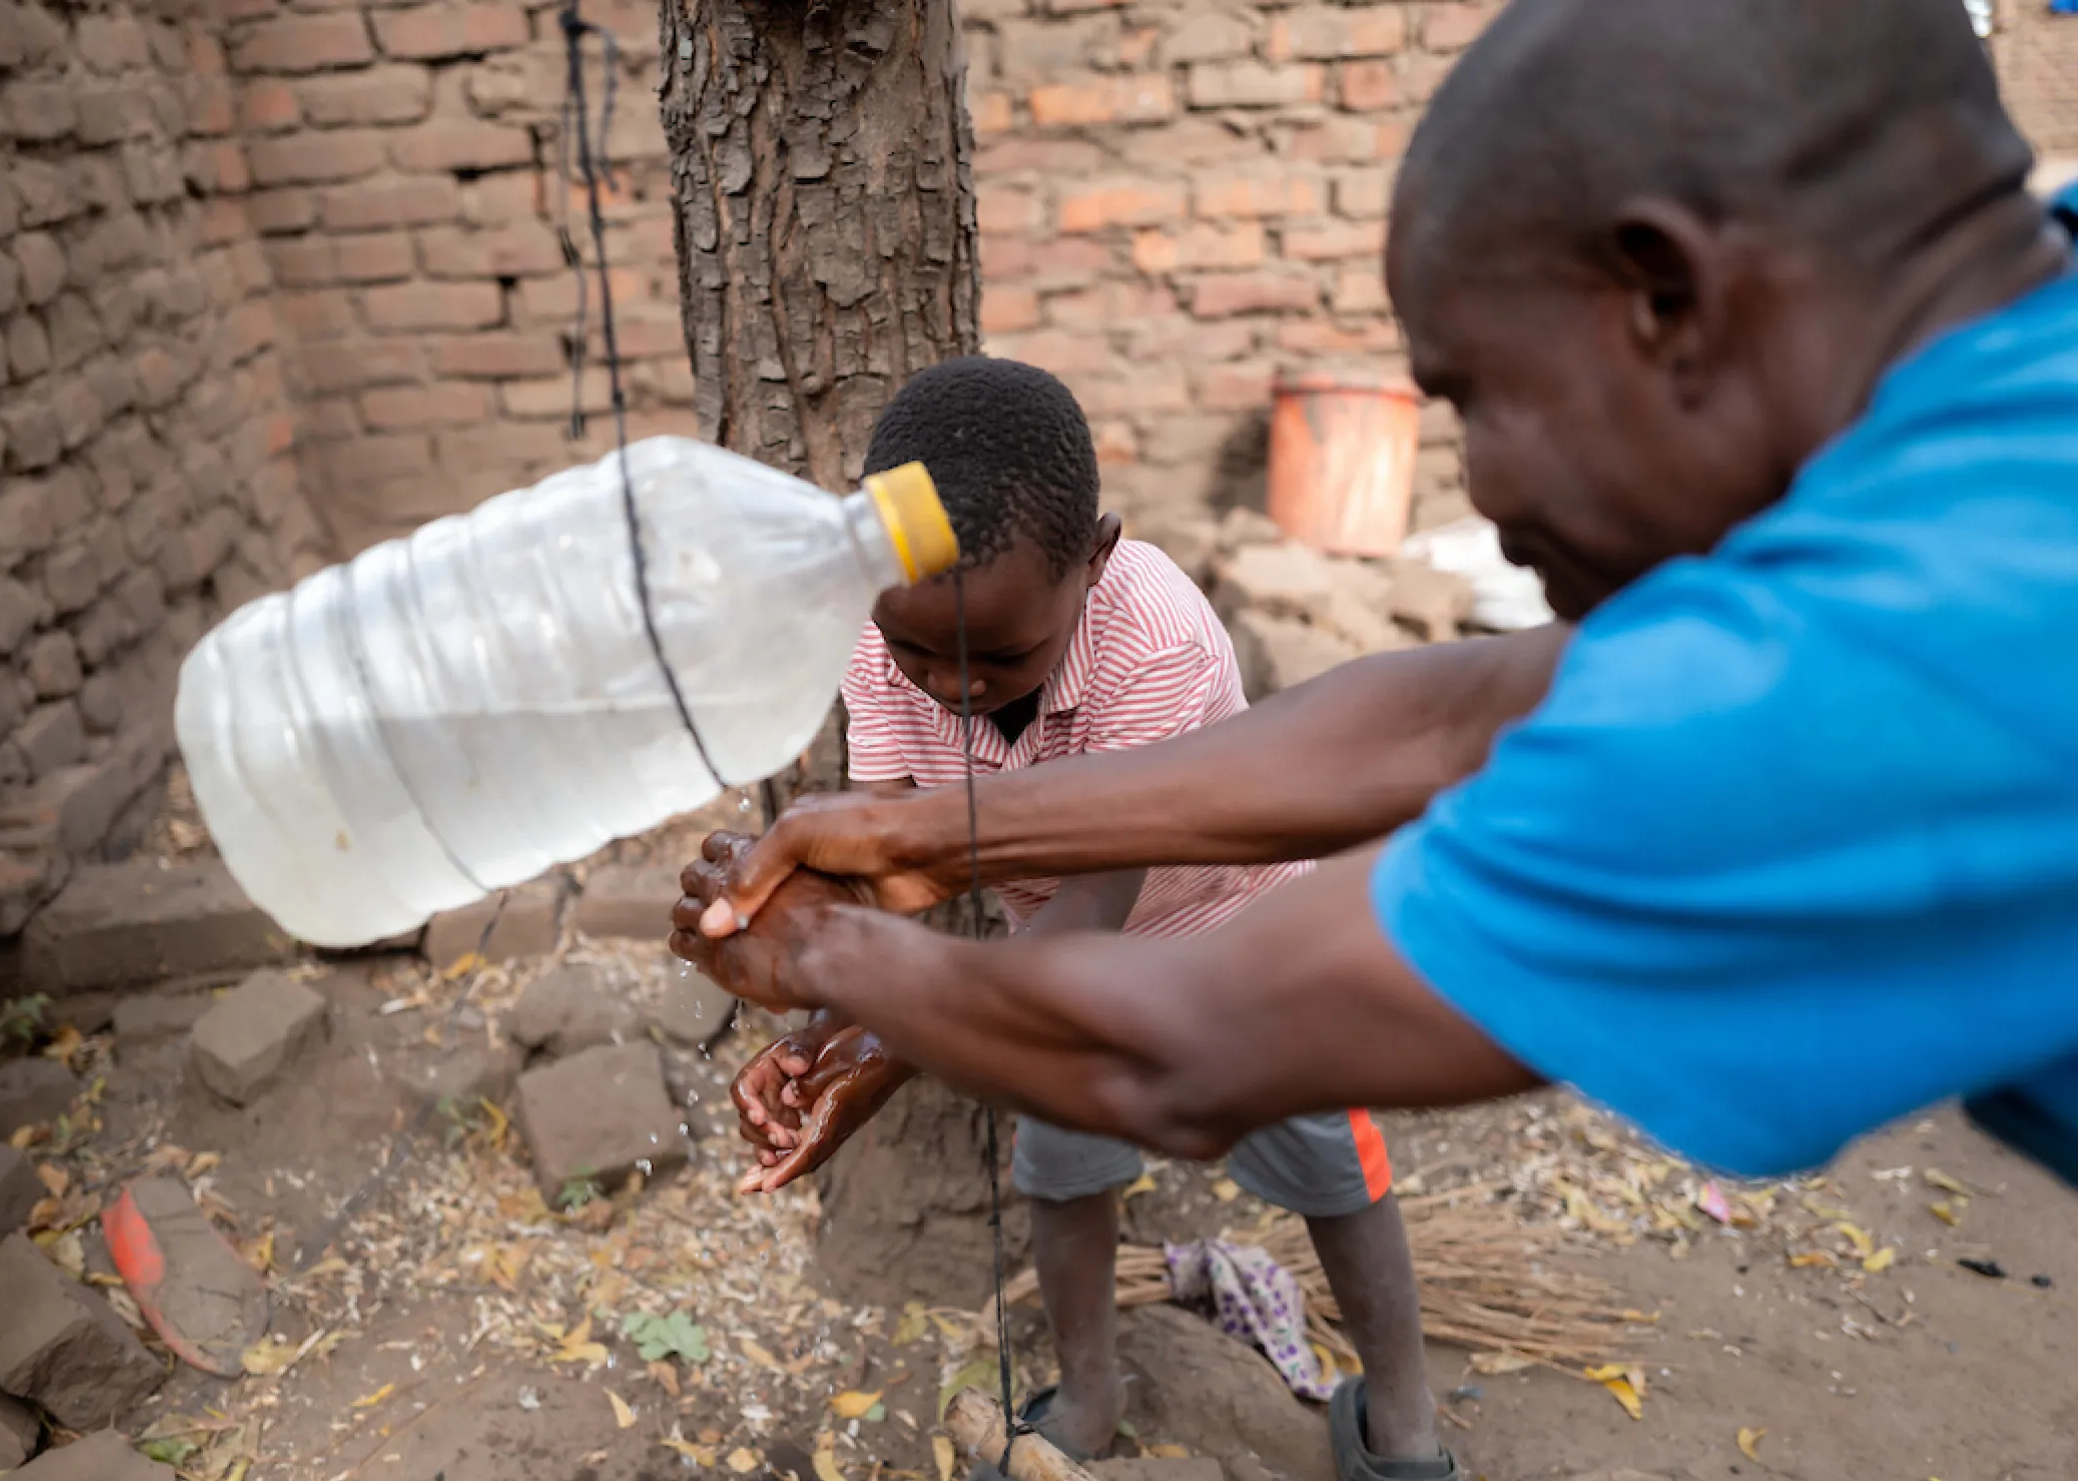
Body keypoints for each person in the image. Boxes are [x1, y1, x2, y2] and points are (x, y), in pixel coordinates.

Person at [676, 0, 2078, 1340]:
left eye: (1470, 396)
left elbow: (1180, 1046)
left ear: (1668, 296)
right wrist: (923, 831)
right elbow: (1454, 711)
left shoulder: (1878, 673)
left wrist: (821, 954)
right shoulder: (2005, 391)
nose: (1480, 487)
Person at [721, 357, 1473, 1481]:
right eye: (921, 659)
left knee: (1334, 1173)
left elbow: (1090, 904)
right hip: (1051, 965)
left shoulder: (1157, 640)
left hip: (1240, 944)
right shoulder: (888, 633)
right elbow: (900, 861)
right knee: (1063, 1172)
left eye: (998, 662)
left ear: (1096, 561)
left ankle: (1400, 1426)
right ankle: (1089, 1391)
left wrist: (894, 1032)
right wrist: (817, 994)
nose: (952, 688)